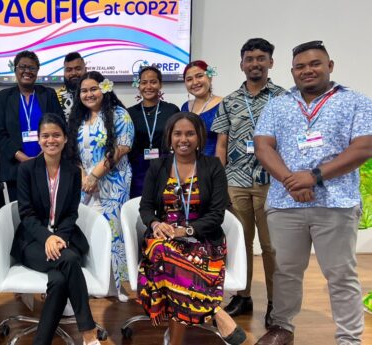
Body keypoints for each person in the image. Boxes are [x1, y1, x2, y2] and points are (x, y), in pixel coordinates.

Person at [254, 40, 372, 345]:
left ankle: (349, 338)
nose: (307, 70)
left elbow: (363, 147)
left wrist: (314, 177)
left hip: (335, 202)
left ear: (329, 66)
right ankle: (282, 328)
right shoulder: (278, 104)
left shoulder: (355, 102)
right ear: (292, 71)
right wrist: (292, 181)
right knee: (286, 271)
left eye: (315, 64)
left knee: (341, 275)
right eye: (300, 66)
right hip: (285, 202)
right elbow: (263, 146)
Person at [137, 112, 247, 345]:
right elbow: (145, 207)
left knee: (171, 268)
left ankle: (177, 340)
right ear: (169, 137)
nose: (183, 139)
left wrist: (185, 231)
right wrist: (156, 224)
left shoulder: (213, 166)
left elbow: (217, 215)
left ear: (199, 137)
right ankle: (215, 312)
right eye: (177, 134)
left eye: (190, 133)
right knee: (161, 250)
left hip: (203, 240)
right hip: (163, 239)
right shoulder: (158, 166)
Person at [211, 38, 285, 327]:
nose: (255, 63)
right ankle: (243, 296)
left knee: (272, 247)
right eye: (249, 58)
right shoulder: (229, 101)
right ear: (242, 64)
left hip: (273, 183)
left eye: (261, 58)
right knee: (240, 243)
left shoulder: (283, 98)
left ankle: (276, 303)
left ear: (270, 62)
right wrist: (220, 184)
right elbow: (220, 146)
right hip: (236, 182)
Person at [13, 113, 99, 345]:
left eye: (56, 135)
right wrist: (47, 238)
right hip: (33, 241)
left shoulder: (72, 171)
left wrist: (58, 237)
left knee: (60, 281)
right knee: (69, 260)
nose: (51, 140)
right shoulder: (27, 169)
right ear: (39, 139)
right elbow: (26, 214)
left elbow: (71, 213)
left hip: (64, 238)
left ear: (65, 139)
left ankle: (42, 341)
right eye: (45, 136)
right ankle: (88, 332)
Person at [68, 71, 133, 301]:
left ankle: (118, 286)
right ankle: (93, 281)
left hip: (113, 183)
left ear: (104, 89)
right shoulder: (79, 118)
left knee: (113, 232)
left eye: (93, 89)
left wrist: (96, 175)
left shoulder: (119, 114)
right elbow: (74, 153)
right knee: (89, 230)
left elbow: (121, 148)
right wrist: (86, 176)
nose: (89, 94)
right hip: (85, 185)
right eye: (84, 91)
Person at [0, 50, 63, 202]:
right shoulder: (3, 97)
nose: (27, 71)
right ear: (15, 69)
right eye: (22, 67)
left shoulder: (48, 94)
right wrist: (21, 157)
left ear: (37, 71)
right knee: (18, 215)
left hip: (47, 165)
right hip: (14, 168)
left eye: (32, 68)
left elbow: (60, 126)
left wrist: (44, 155)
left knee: (47, 212)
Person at [127, 65, 179, 198]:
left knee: (166, 203)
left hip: (165, 165)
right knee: (138, 204)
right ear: (138, 85)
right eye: (144, 82)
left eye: (153, 82)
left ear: (160, 84)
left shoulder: (171, 110)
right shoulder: (129, 113)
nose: (148, 86)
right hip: (138, 168)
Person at [181, 60, 222, 156]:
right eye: (189, 79)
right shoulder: (185, 107)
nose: (195, 82)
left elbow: (224, 144)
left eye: (199, 76)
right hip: (188, 163)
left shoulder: (223, 104)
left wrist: (218, 169)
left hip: (213, 165)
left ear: (210, 77)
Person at [57, 52, 86, 120]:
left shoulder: (94, 94)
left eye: (78, 69)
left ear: (85, 70)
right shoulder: (55, 96)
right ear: (64, 72)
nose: (73, 73)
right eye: (69, 70)